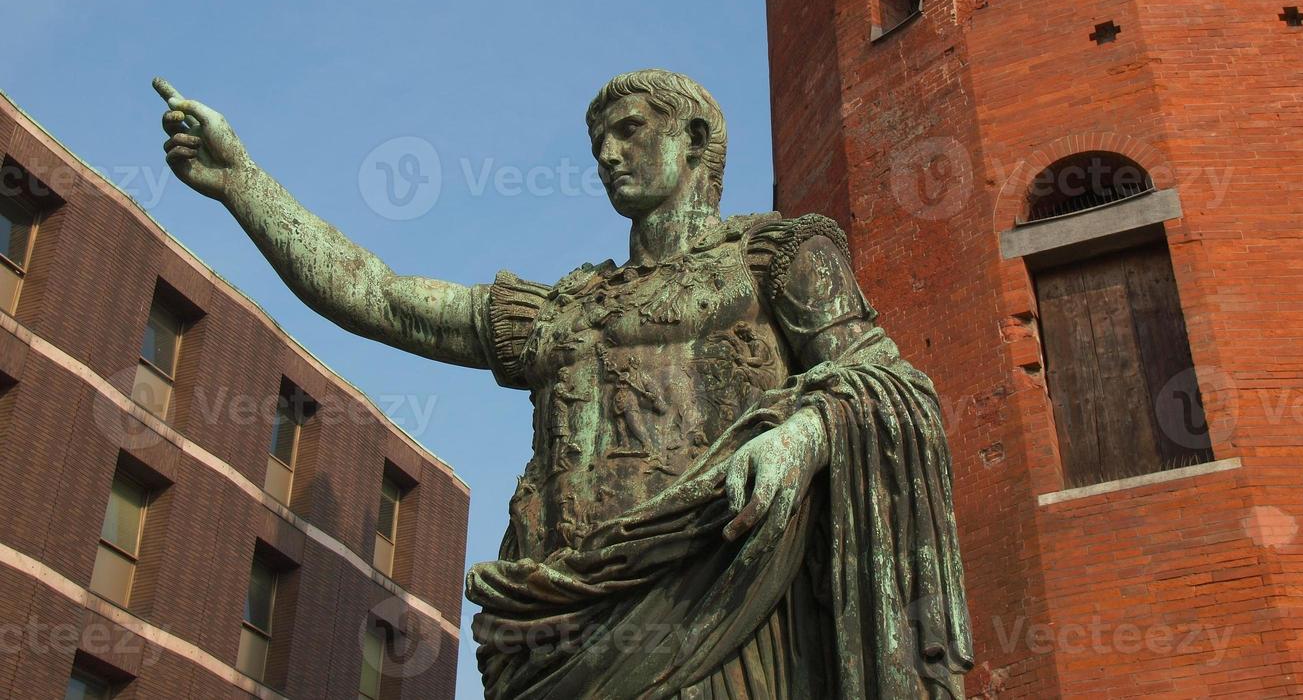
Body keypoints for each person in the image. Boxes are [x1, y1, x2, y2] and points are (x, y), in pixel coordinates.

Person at [154, 69, 973, 699]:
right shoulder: (563, 309)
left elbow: (884, 381)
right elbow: (379, 296)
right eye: (597, 146)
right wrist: (242, 185)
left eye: (626, 132)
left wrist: (802, 433)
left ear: (693, 138)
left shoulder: (776, 259)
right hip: (556, 624)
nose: (606, 157)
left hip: (713, 600)